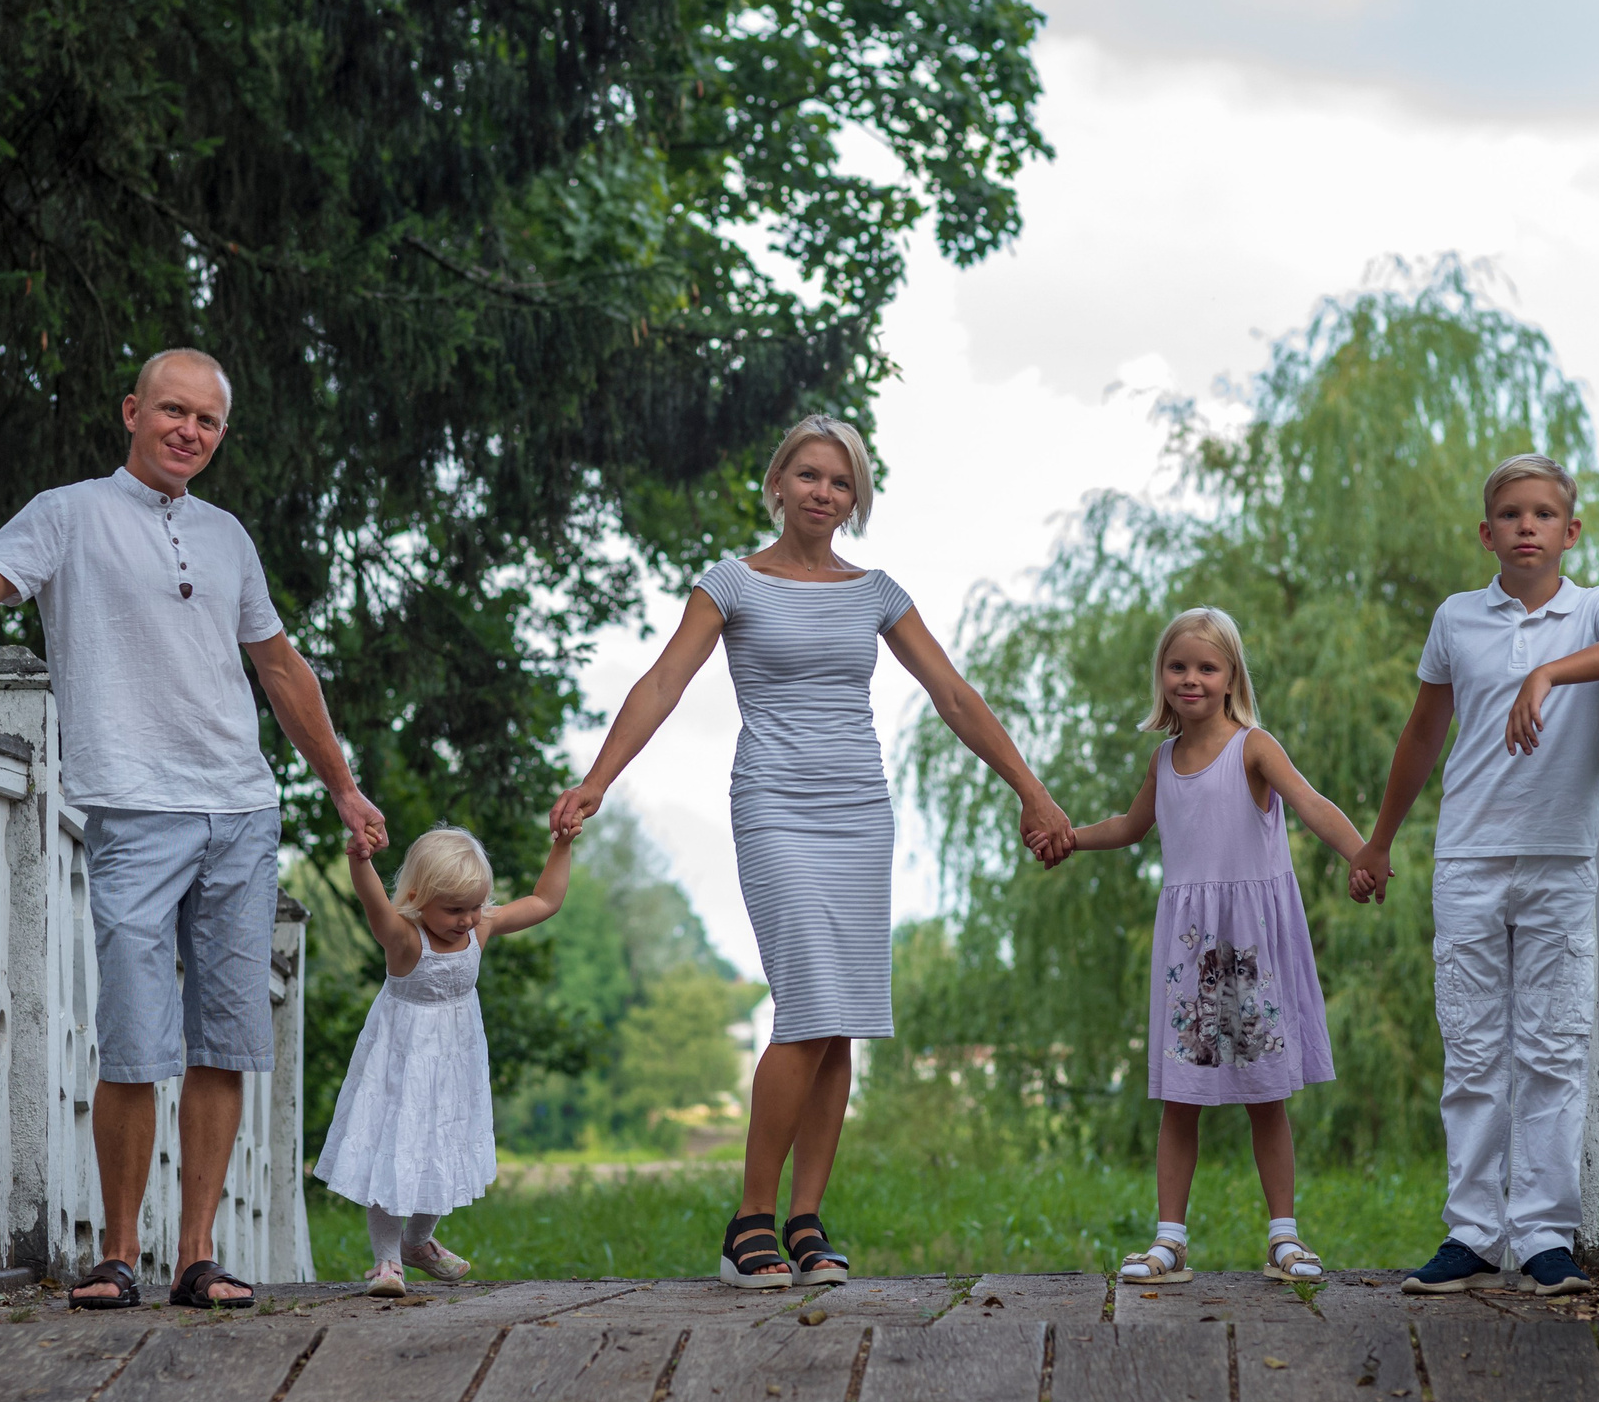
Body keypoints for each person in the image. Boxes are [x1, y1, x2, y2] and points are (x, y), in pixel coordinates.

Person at [0, 349, 388, 1309]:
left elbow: (284, 673)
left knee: (224, 1042)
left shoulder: (230, 536)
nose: (187, 431)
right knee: (131, 1037)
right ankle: (120, 1252)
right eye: (172, 411)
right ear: (132, 411)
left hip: (240, 809)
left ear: (220, 434)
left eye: (206, 419)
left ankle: (196, 1254)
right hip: (131, 808)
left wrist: (343, 788)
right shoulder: (67, 514)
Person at [550, 416, 1071, 1290]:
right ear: (778, 482)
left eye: (840, 481)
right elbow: (665, 679)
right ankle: (748, 1218)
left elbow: (951, 690)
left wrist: (1031, 787)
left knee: (844, 1018)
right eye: (808, 475)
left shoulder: (876, 593)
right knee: (809, 1003)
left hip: (860, 811)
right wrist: (601, 775)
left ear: (854, 497)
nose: (823, 492)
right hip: (775, 805)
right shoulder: (732, 583)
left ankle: (806, 1219)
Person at [1349, 452, 1599, 1298]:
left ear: (1570, 530)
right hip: (1470, 856)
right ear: (1487, 532)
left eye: (1544, 514)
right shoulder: (1457, 618)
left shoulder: (1593, 609)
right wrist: (1378, 839)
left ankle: (1546, 1233)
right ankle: (1474, 1231)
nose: (1527, 526)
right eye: (1510, 514)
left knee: (1552, 1049)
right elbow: (1421, 735)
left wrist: (1549, 670)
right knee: (1475, 1048)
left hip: (1561, 858)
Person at [1055, 608, 1372, 1284]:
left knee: (1265, 1096)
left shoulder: (1253, 747)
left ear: (1231, 677)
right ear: (1161, 677)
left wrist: (1361, 853)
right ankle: (1170, 1240)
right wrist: (1072, 836)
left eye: (1207, 667)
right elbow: (1132, 825)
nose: (1191, 678)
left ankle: (1283, 1237)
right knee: (1182, 1098)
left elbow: (1312, 804)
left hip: (1251, 947)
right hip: (1192, 952)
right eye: (1179, 667)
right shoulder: (1163, 759)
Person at [316, 824, 575, 1296]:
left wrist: (562, 844)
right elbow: (375, 904)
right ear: (418, 898)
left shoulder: (482, 927)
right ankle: (388, 1261)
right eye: (455, 909)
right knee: (394, 1147)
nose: (469, 919)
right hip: (402, 1059)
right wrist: (360, 859)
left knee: (445, 1145)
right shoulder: (404, 939)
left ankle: (418, 1243)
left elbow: (545, 901)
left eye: (476, 906)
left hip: (455, 1060)